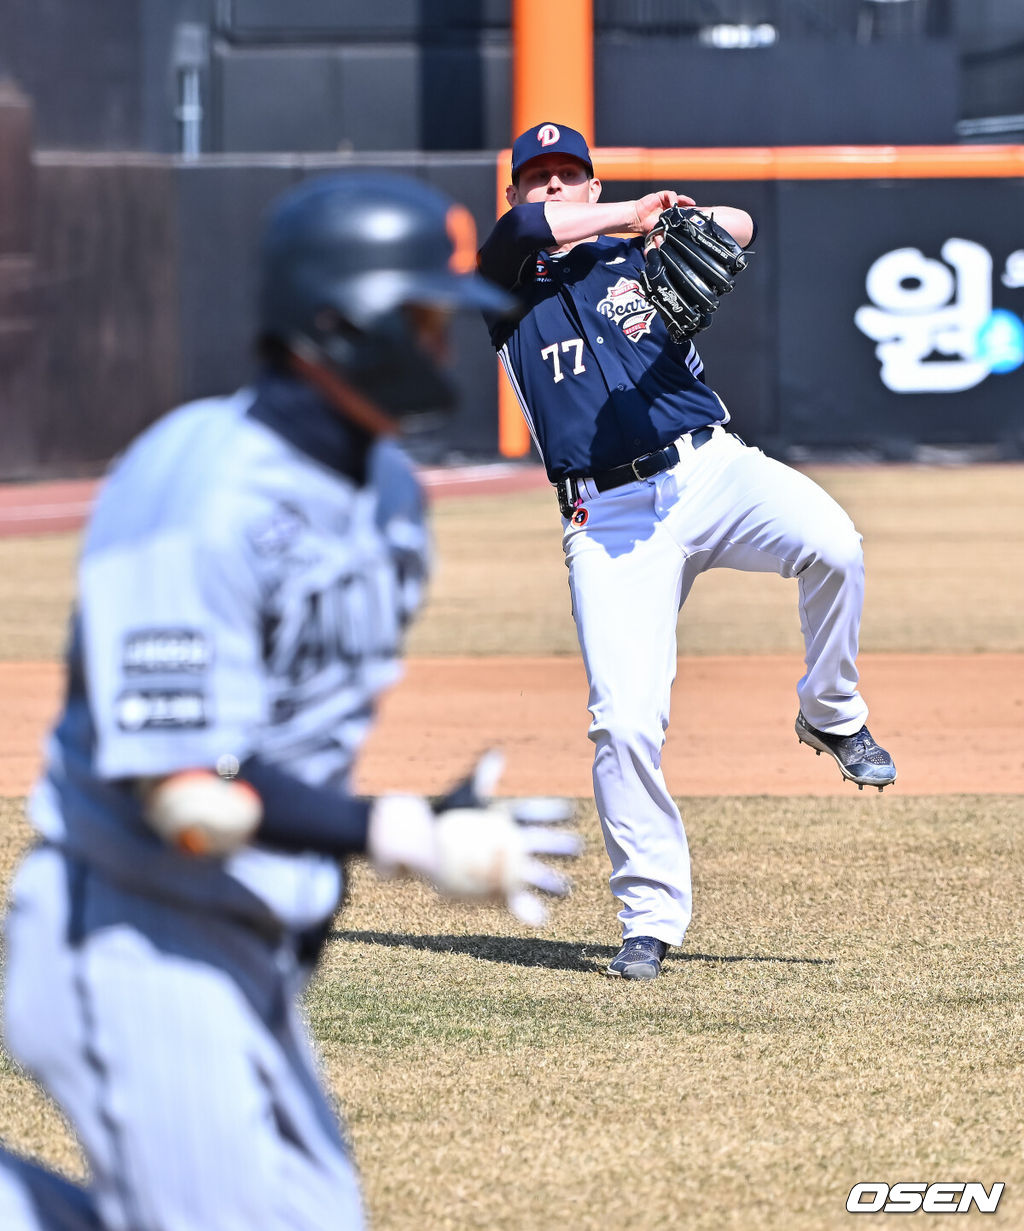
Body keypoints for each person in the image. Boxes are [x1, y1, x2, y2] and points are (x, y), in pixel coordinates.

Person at [0, 172, 580, 1230]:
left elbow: (291, 745)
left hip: (244, 942)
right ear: (338, 325)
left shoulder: (388, 493)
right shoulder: (199, 491)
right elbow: (187, 792)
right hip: (132, 931)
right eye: (422, 317)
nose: (444, 343)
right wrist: (400, 830)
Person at [477, 122, 896, 982]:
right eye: (538, 177)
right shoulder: (501, 283)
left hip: (711, 471)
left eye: (568, 175)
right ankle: (649, 921)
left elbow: (739, 225)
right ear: (516, 193)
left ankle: (831, 711)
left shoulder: (636, 259)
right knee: (623, 722)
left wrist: (668, 221)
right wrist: (631, 212)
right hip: (606, 516)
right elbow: (524, 235)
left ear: (590, 186)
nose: (552, 187)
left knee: (836, 545)